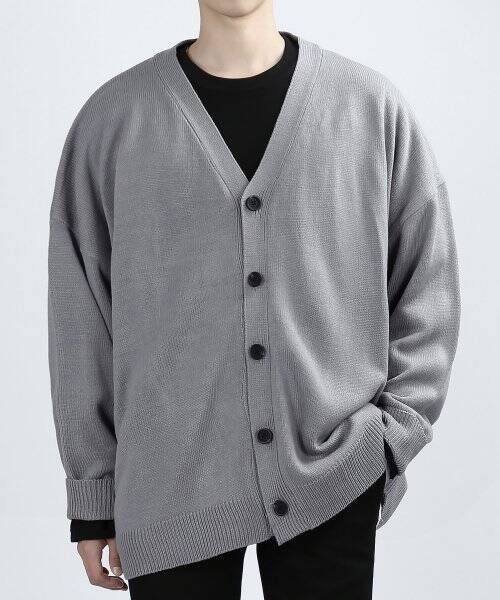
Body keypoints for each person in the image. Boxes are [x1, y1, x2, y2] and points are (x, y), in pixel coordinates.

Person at [48, 1, 460, 598]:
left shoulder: (368, 109)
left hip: (332, 474)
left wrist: (391, 436)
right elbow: (79, 318)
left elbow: (428, 282)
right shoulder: (113, 122)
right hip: (168, 489)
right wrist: (93, 493)